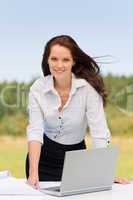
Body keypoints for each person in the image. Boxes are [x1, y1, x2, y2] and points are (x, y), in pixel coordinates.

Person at [25, 35, 130, 189]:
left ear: (73, 61)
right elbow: (35, 131)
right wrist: (33, 172)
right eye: (54, 59)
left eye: (65, 60)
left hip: (75, 160)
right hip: (42, 161)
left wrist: (104, 173)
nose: (59, 65)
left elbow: (99, 133)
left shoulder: (88, 90)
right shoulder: (37, 88)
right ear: (47, 60)